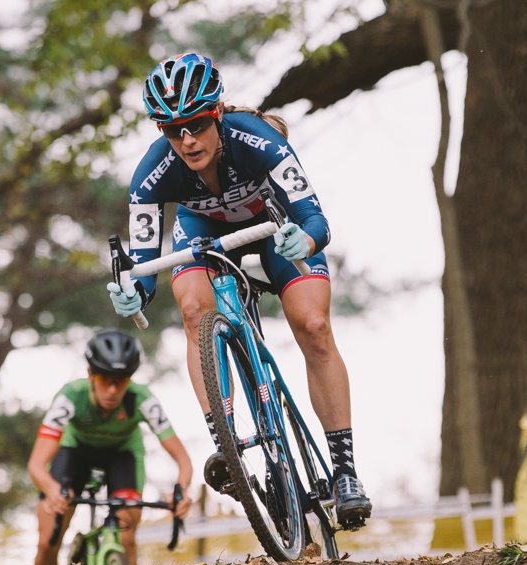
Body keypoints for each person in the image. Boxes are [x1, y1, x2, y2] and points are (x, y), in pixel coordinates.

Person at [106, 53, 371, 528]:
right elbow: (143, 259)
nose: (187, 140)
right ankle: (225, 443)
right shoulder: (152, 171)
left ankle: (345, 471)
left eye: (196, 125)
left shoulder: (258, 139)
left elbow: (315, 218)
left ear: (217, 114)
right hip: (202, 230)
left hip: (273, 226)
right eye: (172, 130)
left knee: (313, 324)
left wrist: (306, 241)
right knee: (193, 310)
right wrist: (137, 292)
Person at [28, 329, 192, 565]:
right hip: (75, 452)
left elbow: (183, 460)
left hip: (122, 455)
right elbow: (36, 464)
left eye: (122, 381)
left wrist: (181, 490)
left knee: (127, 542)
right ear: (90, 375)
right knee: (47, 543)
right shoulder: (71, 395)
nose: (113, 390)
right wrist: (51, 488)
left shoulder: (141, 398)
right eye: (105, 380)